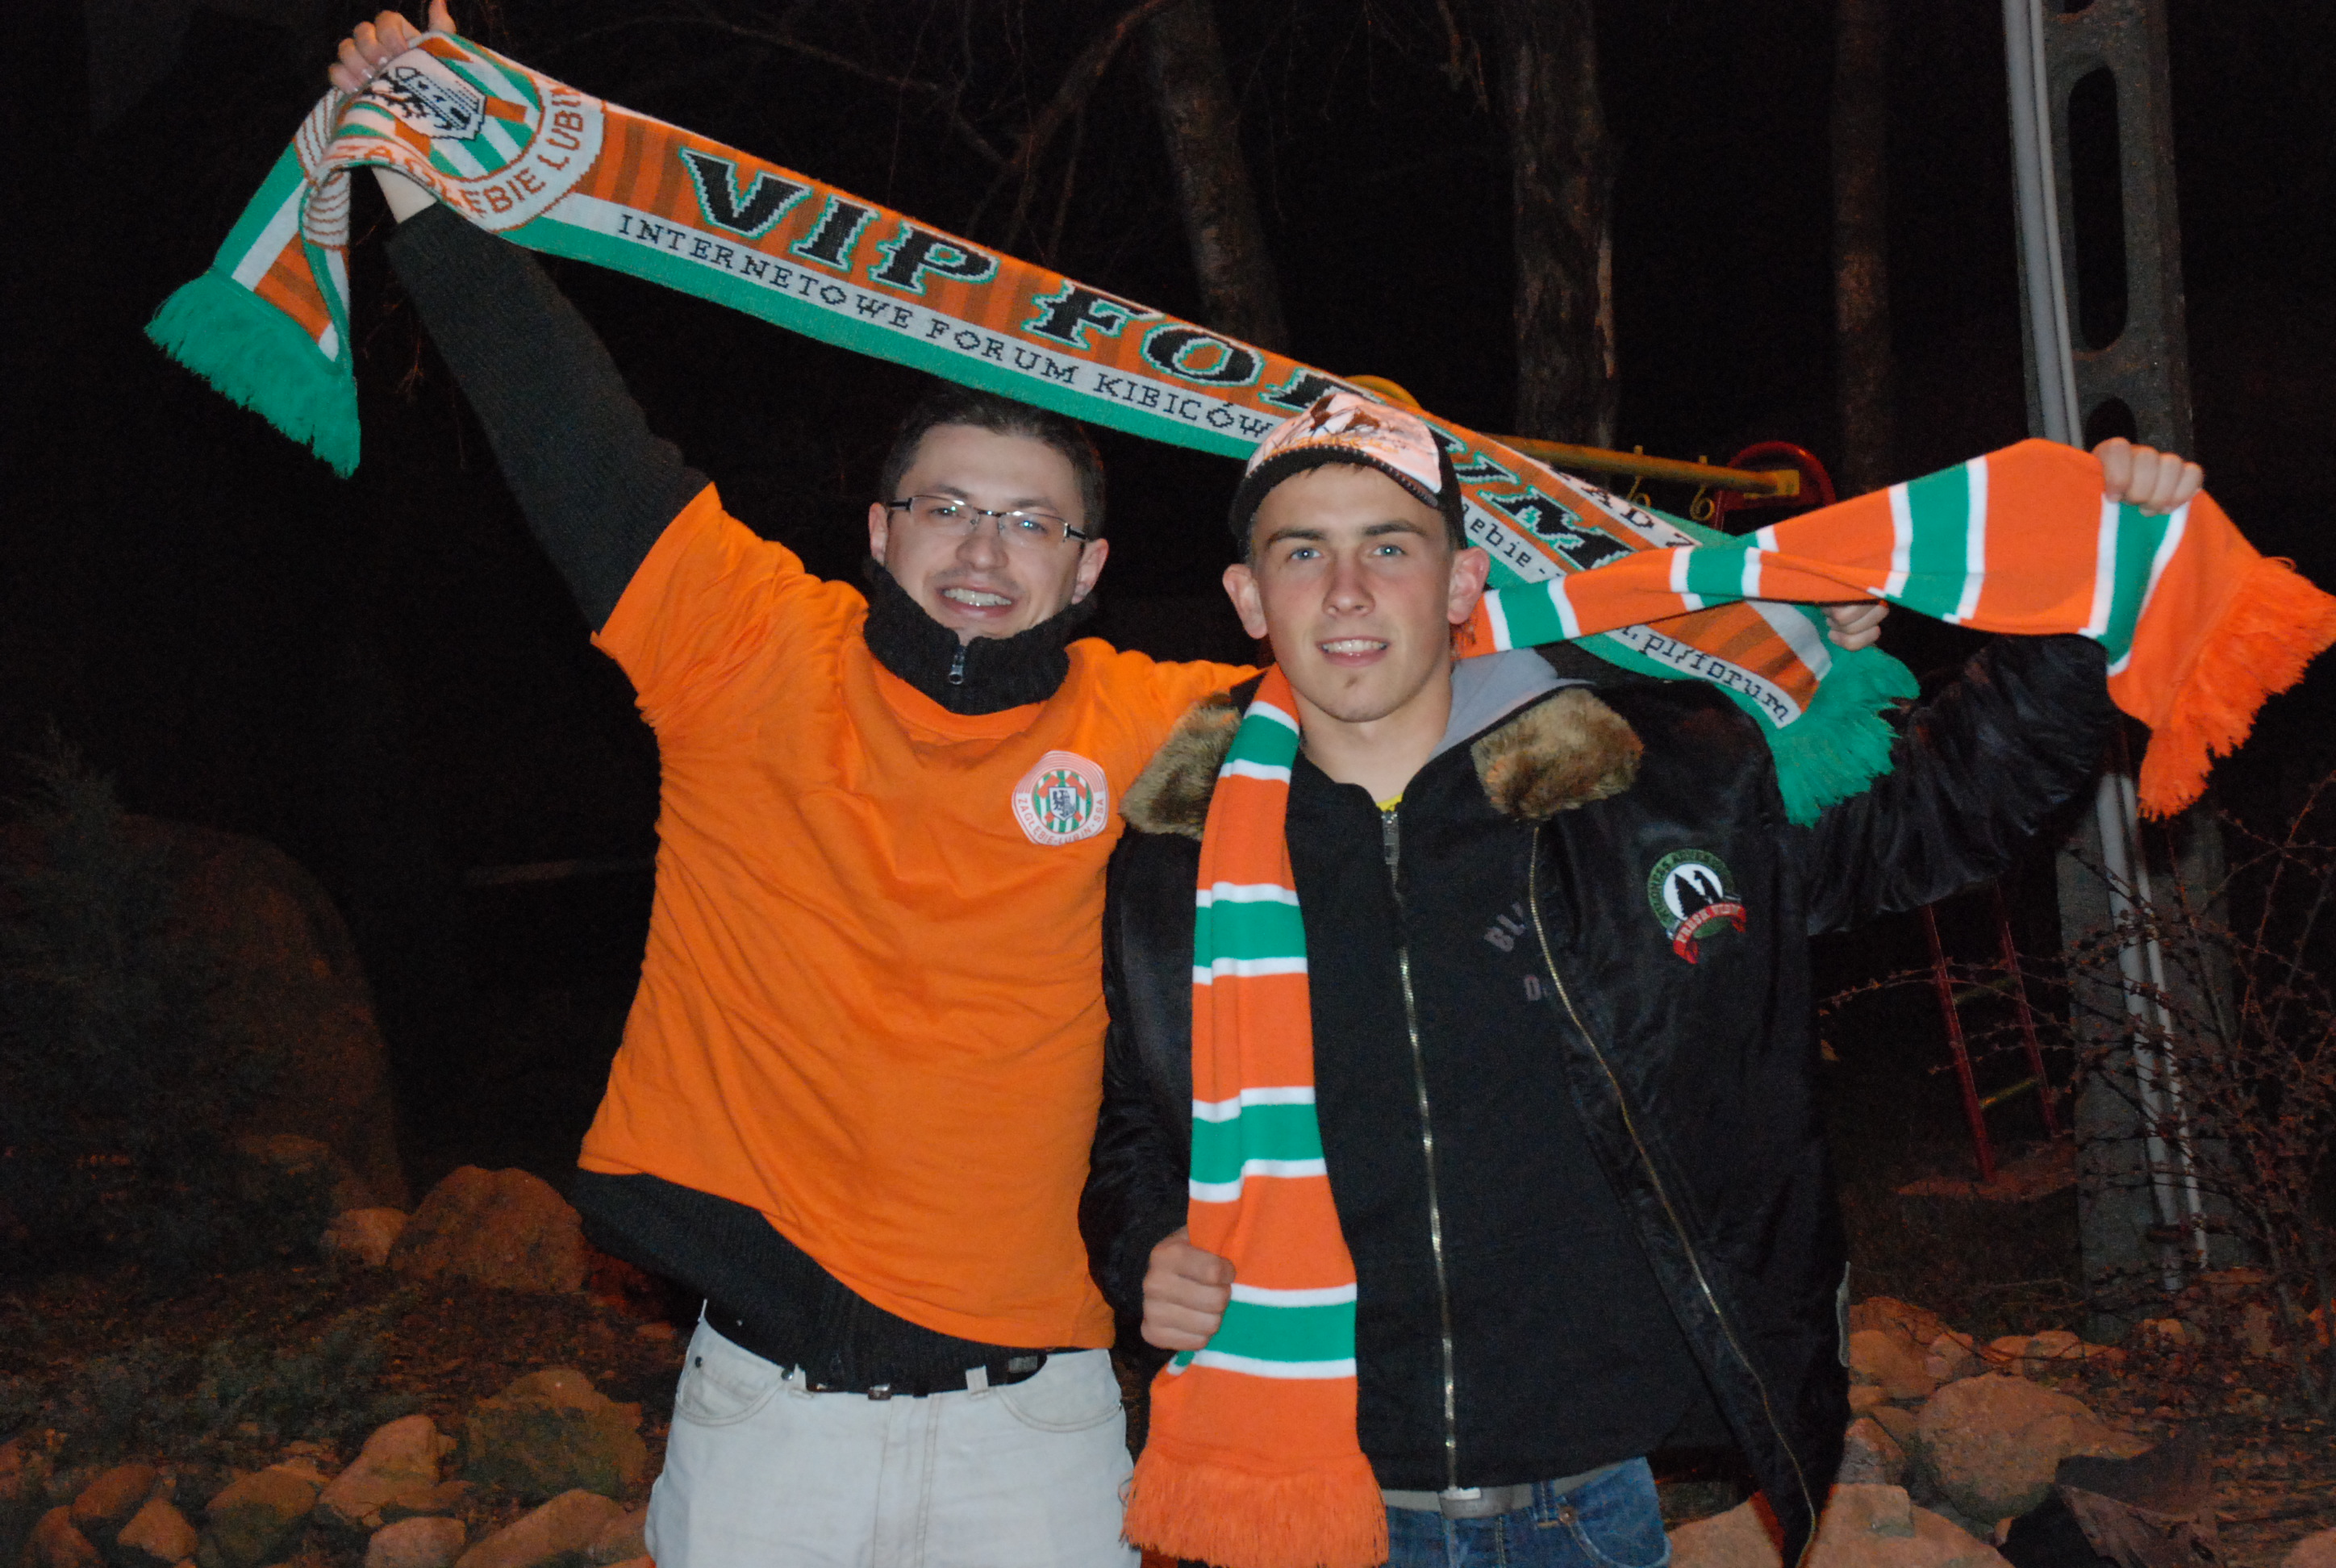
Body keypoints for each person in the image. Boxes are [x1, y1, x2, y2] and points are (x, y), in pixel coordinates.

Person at [325, 15, 1896, 1561]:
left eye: (1030, 522)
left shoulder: (1163, 726)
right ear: (877, 532)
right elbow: (570, 436)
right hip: (767, 1417)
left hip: (1042, 1421)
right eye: (945, 507)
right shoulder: (742, 650)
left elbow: (1405, 644)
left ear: (1085, 567)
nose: (981, 549)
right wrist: (426, 169)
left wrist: (1760, 634)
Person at [1080, 392, 2200, 1566]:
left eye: (1391, 547)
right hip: (1306, 1503)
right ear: (1248, 597)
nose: (1348, 592)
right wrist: (1146, 1244)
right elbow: (1134, 1122)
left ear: (1461, 584)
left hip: (1587, 1508)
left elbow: (1934, 816)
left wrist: (2087, 585)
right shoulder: (1180, 858)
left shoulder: (1642, 790)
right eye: (1304, 552)